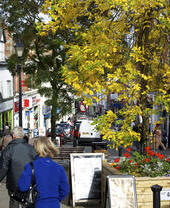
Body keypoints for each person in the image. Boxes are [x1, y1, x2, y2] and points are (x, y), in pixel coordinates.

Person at [18, 137, 69, 208]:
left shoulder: (31, 166)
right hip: (54, 204)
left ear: (37, 149)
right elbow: (65, 190)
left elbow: (23, 187)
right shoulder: (59, 168)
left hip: (37, 204)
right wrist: (55, 199)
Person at [0, 126, 36, 208]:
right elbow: (36, 166)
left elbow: (3, 168)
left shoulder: (8, 149)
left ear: (13, 136)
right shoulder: (31, 149)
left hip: (13, 184)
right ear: (23, 136)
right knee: (27, 202)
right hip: (28, 183)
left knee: (14, 203)